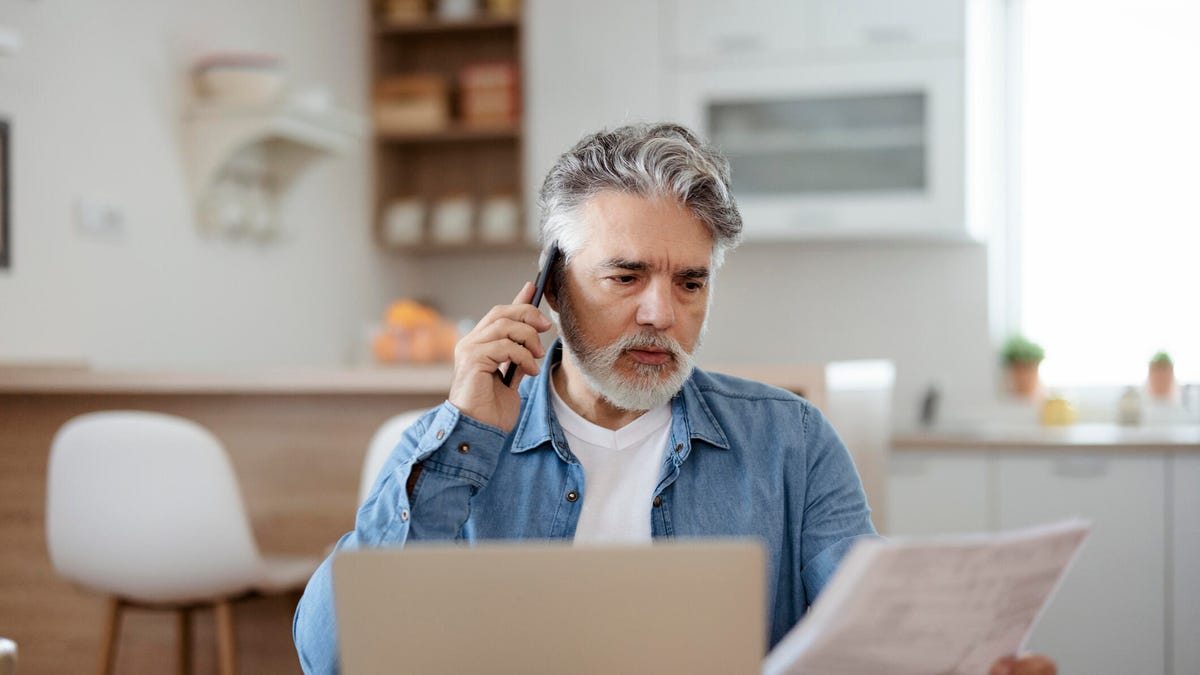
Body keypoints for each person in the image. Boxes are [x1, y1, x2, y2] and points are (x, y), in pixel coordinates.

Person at [293, 123, 1056, 675]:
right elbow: (329, 655)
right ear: (551, 288)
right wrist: (464, 439)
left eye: (691, 282)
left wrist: (959, 660)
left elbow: (872, 631)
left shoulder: (792, 441)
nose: (662, 312)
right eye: (625, 277)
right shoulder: (451, 443)